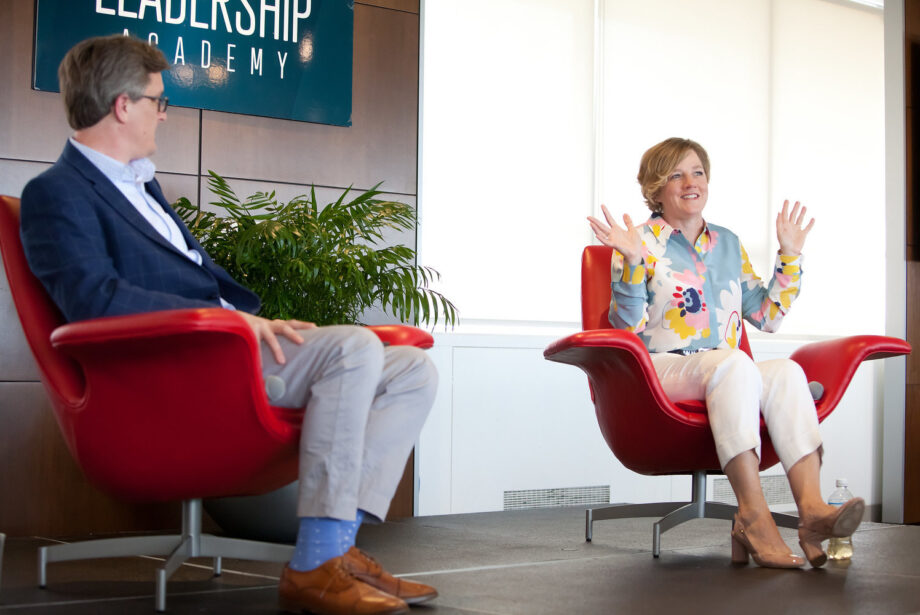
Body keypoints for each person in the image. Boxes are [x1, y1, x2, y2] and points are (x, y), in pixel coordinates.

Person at [20, 34, 437, 615]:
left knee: (412, 369)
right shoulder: (55, 193)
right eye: (158, 101)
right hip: (182, 365)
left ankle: (334, 550)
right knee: (352, 349)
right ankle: (316, 565)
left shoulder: (141, 185)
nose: (164, 114)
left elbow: (191, 278)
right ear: (123, 105)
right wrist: (225, 321)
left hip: (228, 343)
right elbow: (93, 301)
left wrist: (249, 320)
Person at [587, 137, 865, 569]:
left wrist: (790, 255)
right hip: (661, 370)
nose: (690, 182)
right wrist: (632, 262)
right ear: (656, 189)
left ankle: (812, 512)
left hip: (726, 370)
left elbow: (767, 316)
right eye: (676, 175)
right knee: (733, 364)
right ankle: (752, 516)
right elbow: (626, 327)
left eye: (697, 172)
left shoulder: (729, 244)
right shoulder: (636, 242)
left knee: (787, 373)